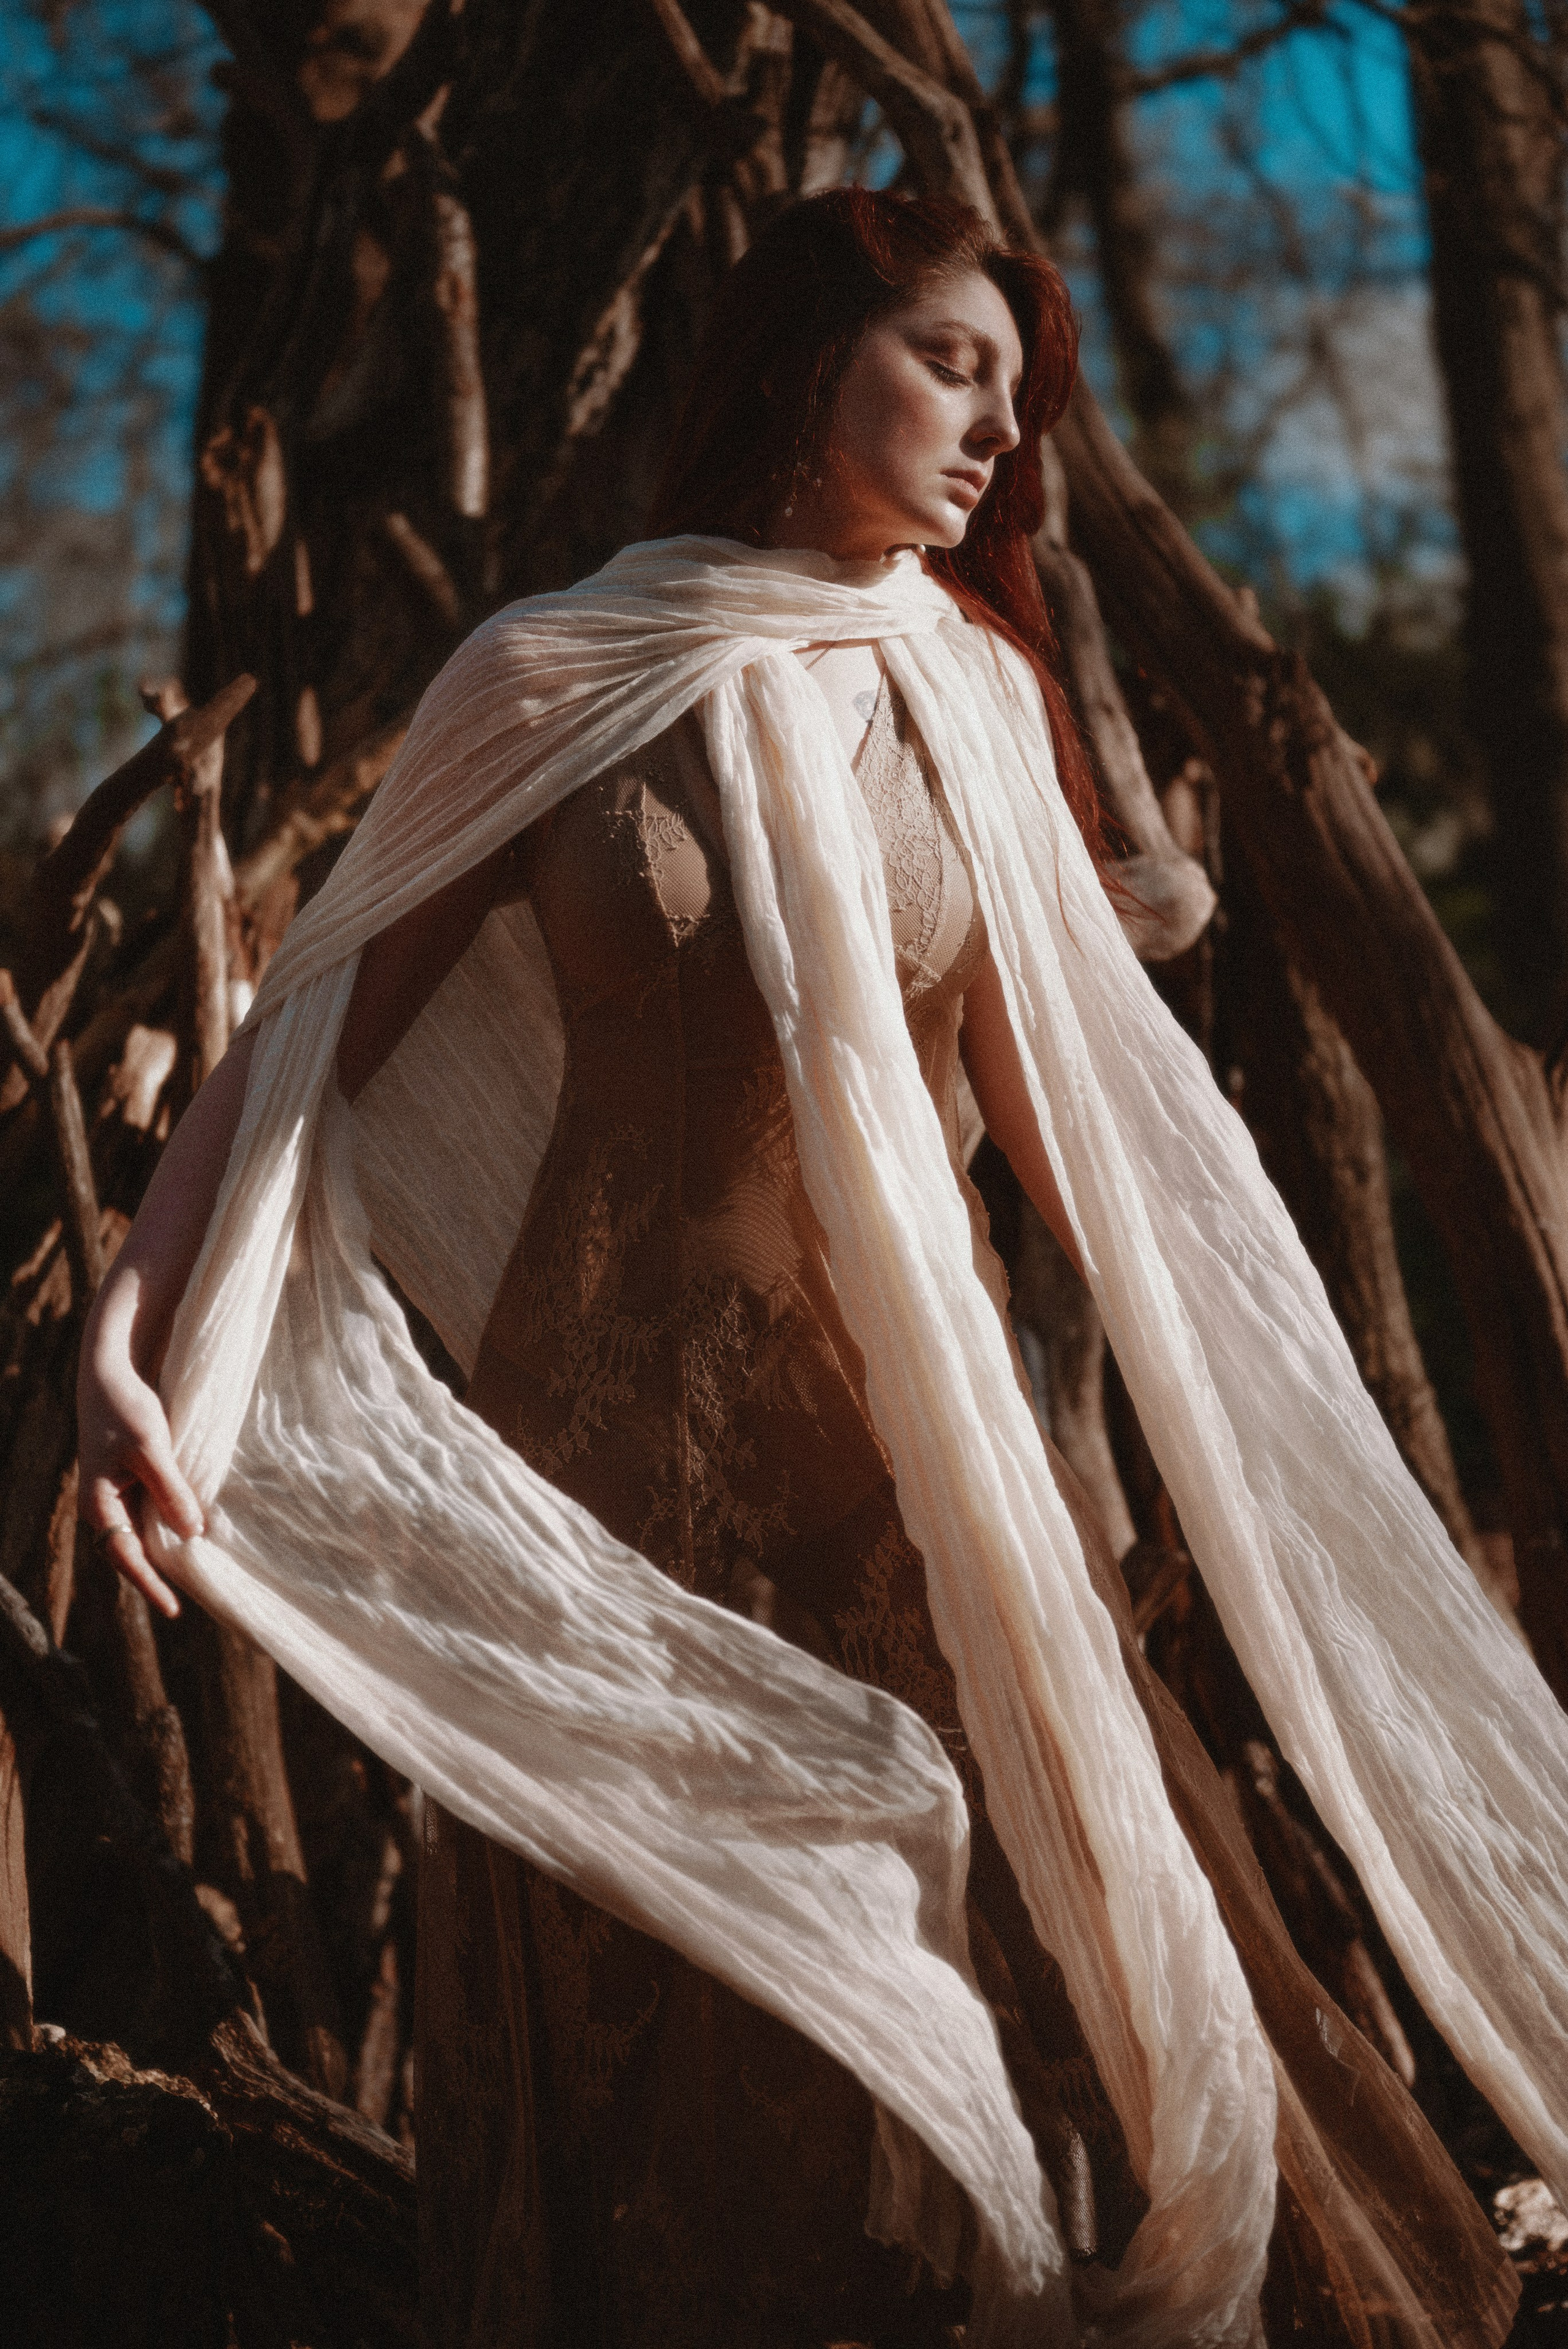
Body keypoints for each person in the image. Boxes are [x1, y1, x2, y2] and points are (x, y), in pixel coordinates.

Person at [75, 190, 1564, 2347]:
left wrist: (1261, 1433)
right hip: (597, 1436)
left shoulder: (968, 695)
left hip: (901, 1430)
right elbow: (309, 1028)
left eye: (1019, 392)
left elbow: (1090, 1143)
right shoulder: (554, 670)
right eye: (954, 361)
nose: (1000, 426)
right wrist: (142, 1312)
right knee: (659, 1973)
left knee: (1061, 1881)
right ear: (803, 357)